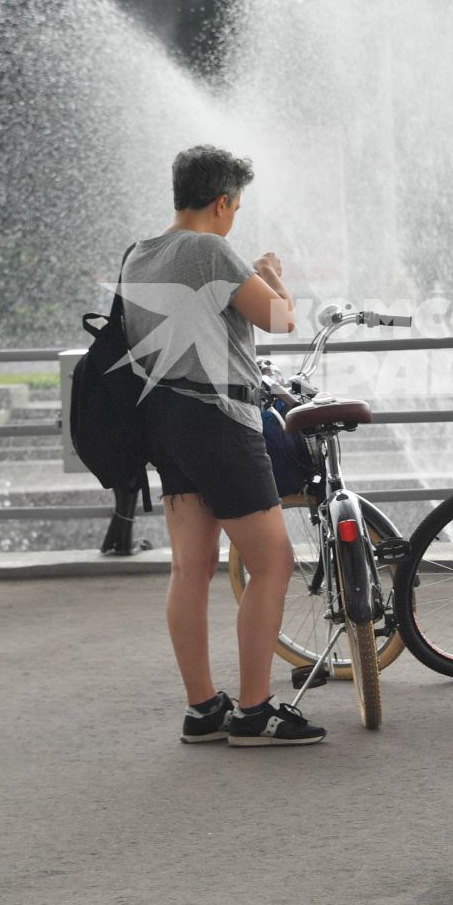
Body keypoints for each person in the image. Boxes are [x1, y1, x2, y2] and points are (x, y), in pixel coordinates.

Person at [120, 144, 323, 747]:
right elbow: (280, 320)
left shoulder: (139, 254)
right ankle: (256, 711)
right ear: (222, 201)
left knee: (190, 567)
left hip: (165, 420)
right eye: (237, 205)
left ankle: (203, 708)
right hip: (220, 418)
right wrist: (272, 277)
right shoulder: (209, 248)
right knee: (273, 562)